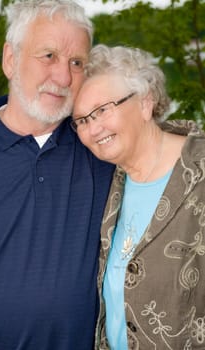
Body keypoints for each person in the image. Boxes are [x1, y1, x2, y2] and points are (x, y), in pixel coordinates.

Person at [0, 3, 114, 350]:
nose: (64, 77)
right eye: (48, 55)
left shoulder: (103, 150)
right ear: (10, 59)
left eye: (76, 62)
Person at [72, 44, 205, 349]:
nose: (93, 129)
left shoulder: (200, 173)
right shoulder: (112, 182)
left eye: (102, 110)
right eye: (82, 120)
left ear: (146, 102)